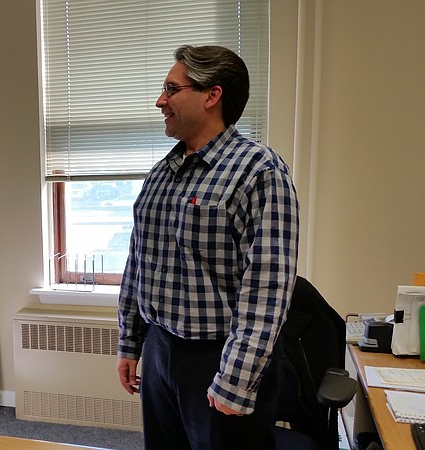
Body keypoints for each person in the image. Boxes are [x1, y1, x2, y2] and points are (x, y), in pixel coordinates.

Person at [116, 45, 300, 449]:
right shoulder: (161, 174)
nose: (160, 101)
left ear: (211, 95)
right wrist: (130, 341)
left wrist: (237, 378)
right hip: (161, 349)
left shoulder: (260, 171)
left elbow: (268, 287)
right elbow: (139, 263)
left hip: (220, 356)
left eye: (171, 89)